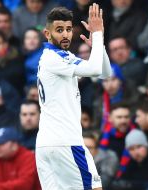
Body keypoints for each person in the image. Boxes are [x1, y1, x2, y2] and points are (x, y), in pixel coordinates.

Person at [35, 4, 112, 190]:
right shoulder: (55, 58)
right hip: (66, 142)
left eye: (68, 29)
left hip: (46, 145)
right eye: (59, 30)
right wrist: (99, 32)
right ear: (47, 34)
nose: (65, 34)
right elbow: (95, 69)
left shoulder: (59, 57)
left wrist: (98, 47)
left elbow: (104, 73)